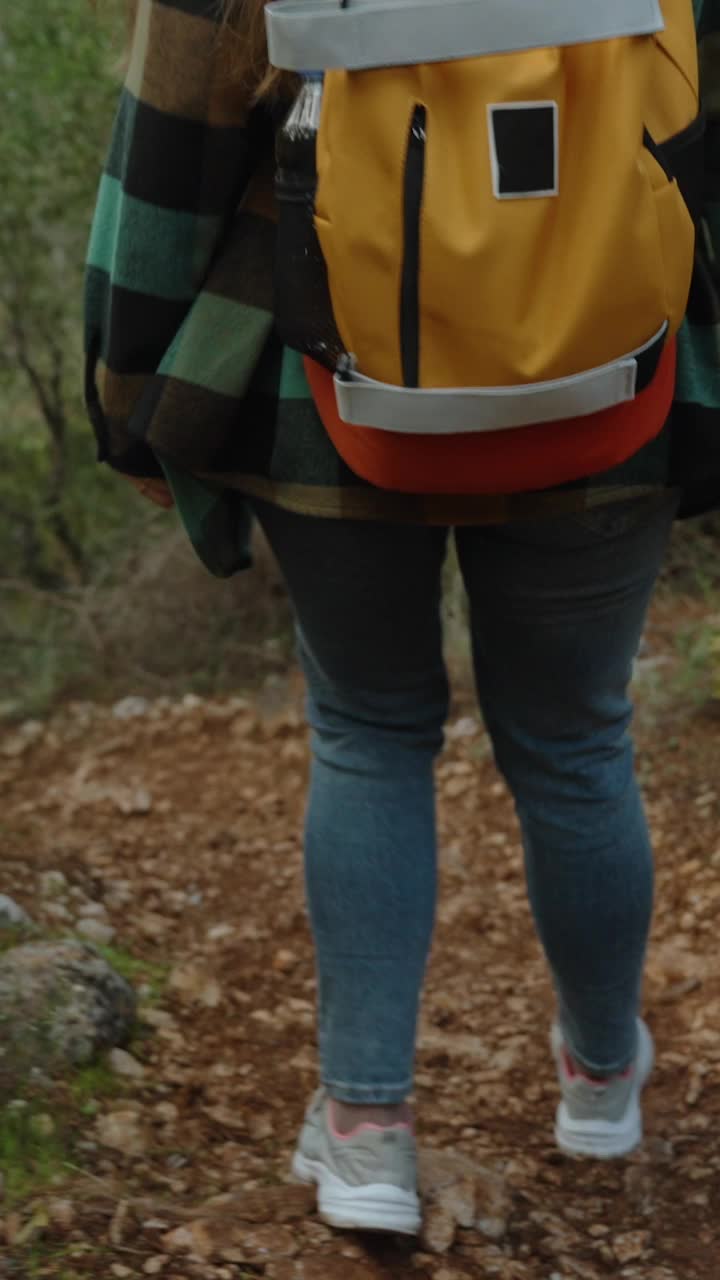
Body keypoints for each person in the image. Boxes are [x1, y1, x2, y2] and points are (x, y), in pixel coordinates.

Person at [85, 0, 720, 1237]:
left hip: (326, 373)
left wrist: (133, 399)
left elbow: (167, 152)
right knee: (580, 736)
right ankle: (602, 1075)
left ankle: (368, 1129)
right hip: (614, 358)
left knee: (371, 727)